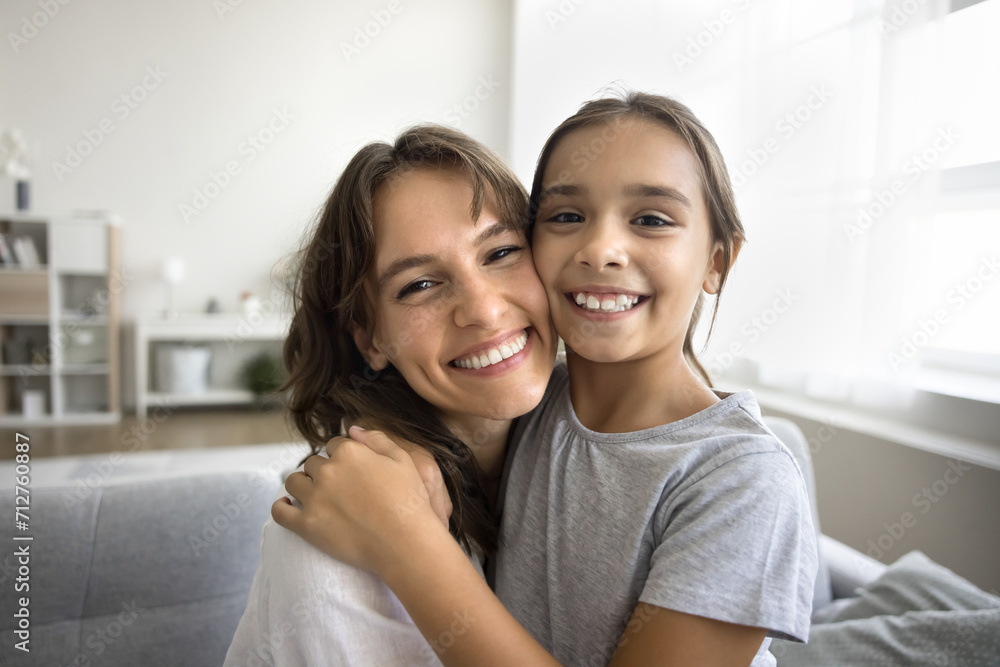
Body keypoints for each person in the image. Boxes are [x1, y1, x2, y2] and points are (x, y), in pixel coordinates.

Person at [274, 92, 818, 667]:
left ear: (716, 262)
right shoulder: (519, 406)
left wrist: (408, 545)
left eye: (652, 219)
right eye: (566, 216)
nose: (601, 248)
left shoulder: (743, 479)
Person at [224, 124, 558, 666]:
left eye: (500, 252)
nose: (484, 309)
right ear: (373, 340)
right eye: (419, 285)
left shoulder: (580, 447)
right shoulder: (335, 549)